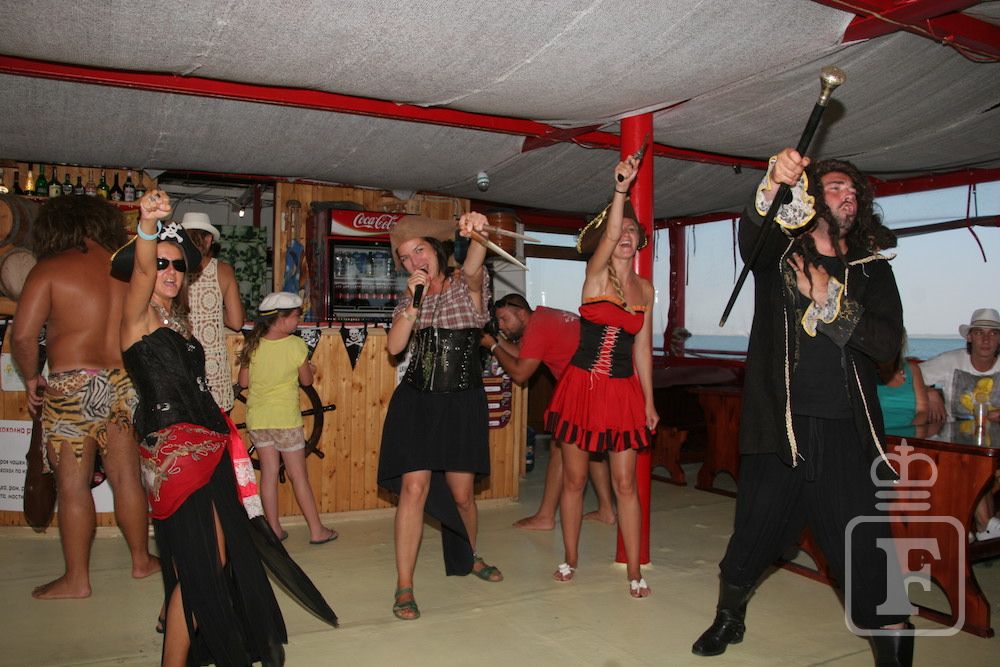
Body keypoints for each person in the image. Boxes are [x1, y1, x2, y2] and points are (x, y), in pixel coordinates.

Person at [690, 149, 913, 665]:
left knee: (868, 557)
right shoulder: (781, 254)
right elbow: (752, 236)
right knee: (753, 538)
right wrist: (773, 181)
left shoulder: (872, 271)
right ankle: (729, 617)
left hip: (847, 435)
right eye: (835, 187)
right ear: (811, 197)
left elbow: (885, 345)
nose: (847, 196)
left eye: (853, 192)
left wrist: (830, 302)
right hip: (780, 429)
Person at [117, 191, 292, 666]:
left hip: (207, 445)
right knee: (204, 566)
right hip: (175, 453)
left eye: (179, 265)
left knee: (200, 561)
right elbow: (141, 273)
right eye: (161, 263)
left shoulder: (178, 321)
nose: (170, 272)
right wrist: (148, 224)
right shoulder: (136, 317)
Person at [11, 195, 160, 600]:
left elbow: (23, 336)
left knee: (73, 486)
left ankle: (77, 579)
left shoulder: (50, 269)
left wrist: (31, 377)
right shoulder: (123, 270)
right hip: (123, 383)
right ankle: (141, 561)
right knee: (127, 477)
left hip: (71, 386)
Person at [544, 155, 659, 598]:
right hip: (582, 386)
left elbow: (642, 348)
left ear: (641, 240)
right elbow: (609, 233)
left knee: (625, 483)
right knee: (574, 480)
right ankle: (570, 557)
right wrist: (621, 191)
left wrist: (649, 401)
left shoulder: (645, 289)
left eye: (633, 231)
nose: (625, 235)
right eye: (620, 230)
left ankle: (634, 570)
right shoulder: (594, 274)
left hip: (623, 390)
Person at [378, 213, 502, 622]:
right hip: (416, 402)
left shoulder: (466, 287)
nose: (414, 261)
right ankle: (404, 585)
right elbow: (395, 347)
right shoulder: (408, 300)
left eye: (419, 250)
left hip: (462, 401)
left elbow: (474, 266)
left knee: (463, 494)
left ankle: (470, 554)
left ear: (436, 249)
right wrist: (413, 304)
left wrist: (479, 233)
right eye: (405, 257)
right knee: (413, 489)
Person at [480, 293, 616, 529]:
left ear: (521, 313)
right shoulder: (544, 318)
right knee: (590, 447)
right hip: (600, 384)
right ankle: (607, 510)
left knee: (560, 448)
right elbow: (522, 354)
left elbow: (520, 372)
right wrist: (495, 339)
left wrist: (491, 346)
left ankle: (545, 517)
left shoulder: (539, 327)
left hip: (585, 388)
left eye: (504, 319)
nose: (501, 325)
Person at [237, 291, 337, 545]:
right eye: (296, 316)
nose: (298, 321)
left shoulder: (253, 345)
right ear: (281, 319)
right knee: (298, 475)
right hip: (286, 421)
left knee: (269, 473)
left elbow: (243, 382)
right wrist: (309, 368)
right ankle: (317, 530)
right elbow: (307, 381)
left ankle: (274, 530)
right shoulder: (295, 345)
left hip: (259, 420)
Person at [920, 308, 1000, 540]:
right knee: (970, 462)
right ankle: (985, 525)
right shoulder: (951, 361)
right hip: (955, 446)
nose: (986, 339)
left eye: (993, 333)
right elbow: (907, 374)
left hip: (993, 447)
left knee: (978, 463)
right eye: (979, 333)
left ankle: (980, 526)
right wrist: (929, 392)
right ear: (970, 337)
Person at [181, 212, 244, 412]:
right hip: (213, 371)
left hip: (181, 364)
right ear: (208, 239)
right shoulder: (223, 270)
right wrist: (216, 312)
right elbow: (236, 322)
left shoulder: (172, 268)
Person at [876, 334, 930, 430]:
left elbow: (922, 412)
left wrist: (909, 435)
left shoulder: (912, 370)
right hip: (878, 435)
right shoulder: (865, 371)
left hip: (909, 435)